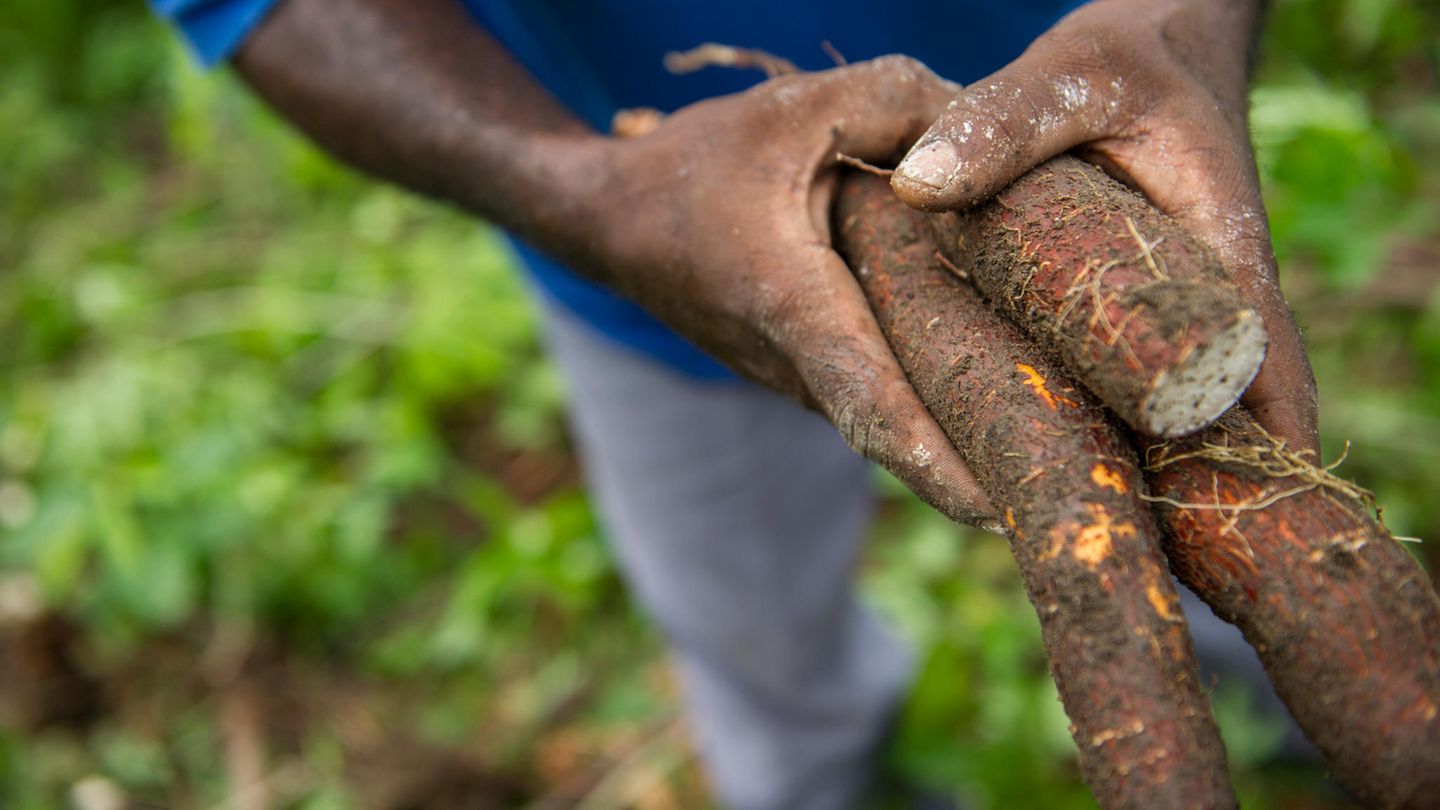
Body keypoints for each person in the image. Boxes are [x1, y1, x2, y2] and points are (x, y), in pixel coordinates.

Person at [151, 1, 1321, 807]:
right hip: (651, 222)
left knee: (1237, 512)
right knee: (757, 636)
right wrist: (581, 192)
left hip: (1104, 174)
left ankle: (1293, 707)